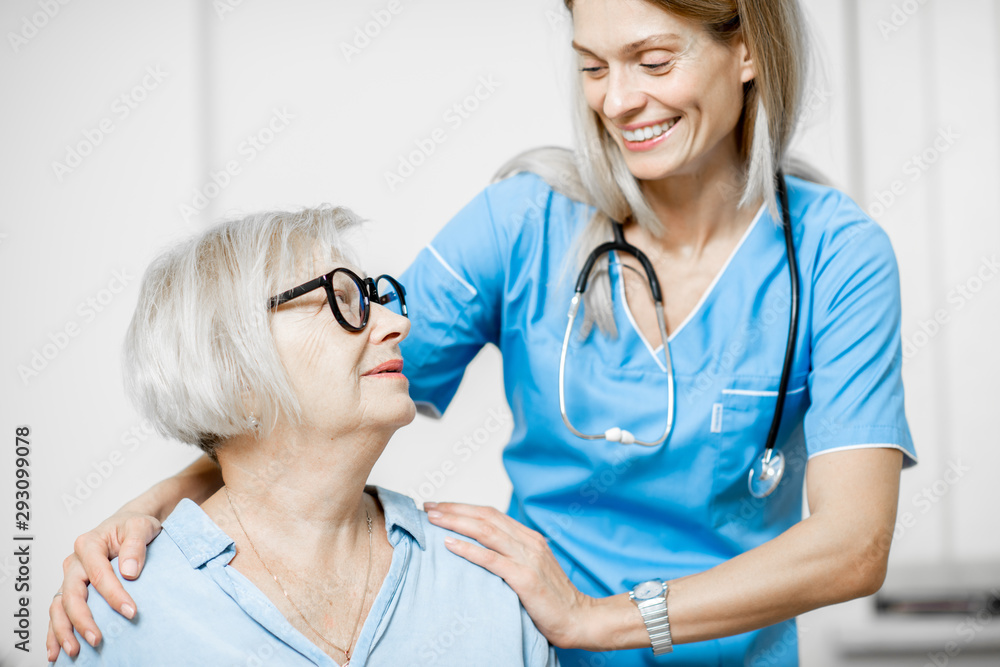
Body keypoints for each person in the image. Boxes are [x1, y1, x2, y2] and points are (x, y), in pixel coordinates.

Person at [49, 1, 917, 665]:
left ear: (748, 48)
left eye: (653, 59)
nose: (619, 100)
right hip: (527, 649)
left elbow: (852, 544)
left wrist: (600, 617)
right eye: (591, 66)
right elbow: (309, 394)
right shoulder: (524, 223)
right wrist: (149, 511)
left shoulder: (838, 258)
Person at [49, 207, 556, 666]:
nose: (398, 323)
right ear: (234, 367)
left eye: (376, 299)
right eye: (341, 300)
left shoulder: (491, 583)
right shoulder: (118, 616)